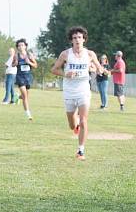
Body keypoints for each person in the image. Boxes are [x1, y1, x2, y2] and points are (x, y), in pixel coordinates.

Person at [50, 26, 104, 160]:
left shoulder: (90, 54)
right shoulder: (65, 54)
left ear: (84, 39)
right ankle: (76, 126)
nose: (77, 40)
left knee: (84, 120)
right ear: (71, 40)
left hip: (83, 90)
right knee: (72, 125)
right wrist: (65, 74)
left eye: (79, 37)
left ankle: (81, 151)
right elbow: (54, 69)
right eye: (74, 38)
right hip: (69, 91)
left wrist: (100, 70)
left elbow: (99, 67)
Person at [12, 39, 37, 120]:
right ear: (17, 47)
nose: (21, 47)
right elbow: (13, 64)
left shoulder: (29, 55)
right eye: (19, 45)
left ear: (25, 46)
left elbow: (35, 65)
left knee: (25, 96)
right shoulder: (16, 56)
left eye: (22, 45)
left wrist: (29, 62)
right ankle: (28, 114)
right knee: (25, 96)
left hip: (28, 77)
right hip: (20, 77)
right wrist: (15, 63)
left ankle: (17, 97)